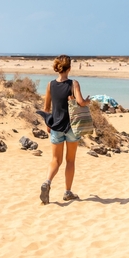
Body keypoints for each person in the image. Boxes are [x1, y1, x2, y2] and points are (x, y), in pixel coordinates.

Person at [37, 55, 91, 205]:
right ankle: (67, 192)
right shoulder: (74, 84)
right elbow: (80, 102)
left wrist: (48, 124)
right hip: (72, 127)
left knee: (55, 160)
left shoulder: (50, 85)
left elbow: (46, 108)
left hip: (56, 126)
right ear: (69, 68)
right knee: (70, 160)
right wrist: (87, 101)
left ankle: (47, 182)